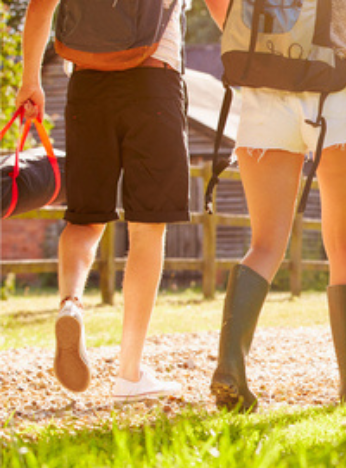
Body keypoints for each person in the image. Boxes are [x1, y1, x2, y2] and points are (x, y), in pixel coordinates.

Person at [14, 0, 225, 401]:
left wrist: (31, 82)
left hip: (88, 85)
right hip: (154, 84)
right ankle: (129, 372)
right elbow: (220, 8)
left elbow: (41, 6)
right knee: (148, 228)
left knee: (84, 218)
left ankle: (71, 303)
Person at [208, 1, 346, 412]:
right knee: (343, 241)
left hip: (263, 95)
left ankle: (230, 368)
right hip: (335, 99)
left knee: (266, 243)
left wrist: (267, 44)